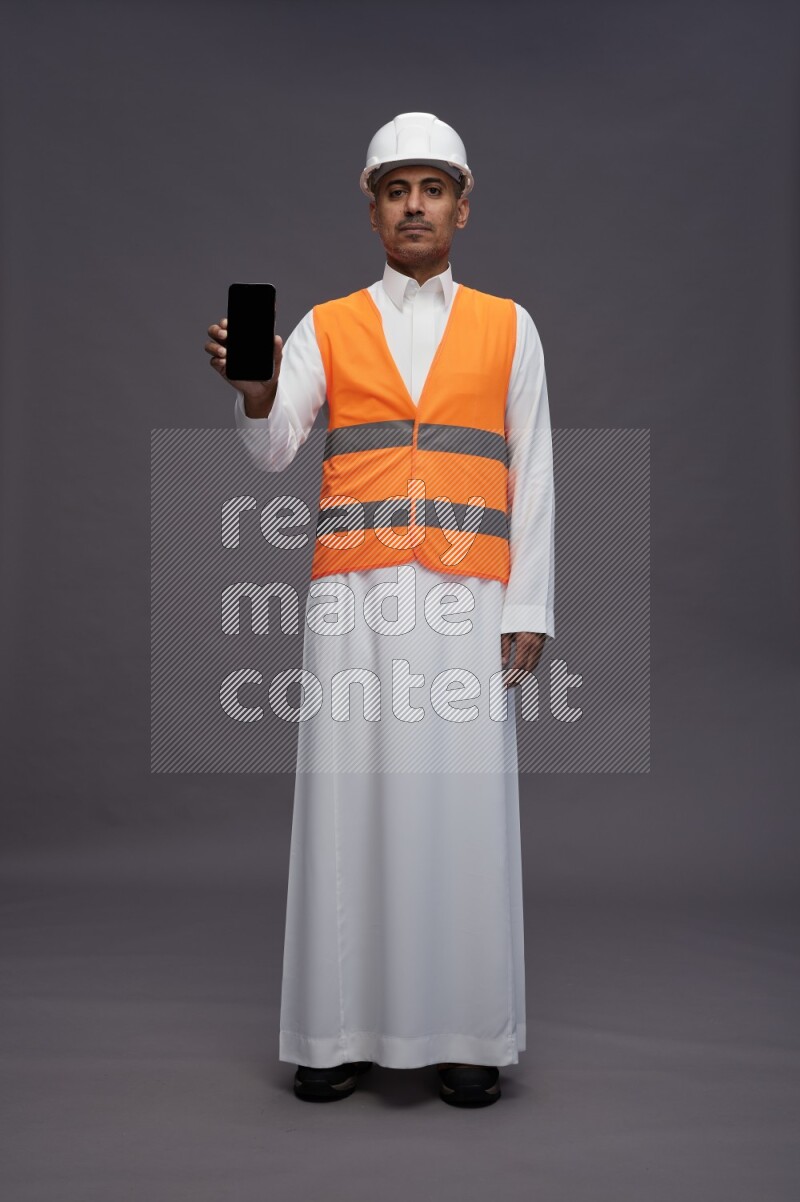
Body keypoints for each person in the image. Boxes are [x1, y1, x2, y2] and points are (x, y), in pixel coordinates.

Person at [204, 112, 555, 1108]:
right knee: (345, 805)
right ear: (370, 208)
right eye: (395, 188)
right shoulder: (323, 324)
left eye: (431, 187)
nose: (414, 204)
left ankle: (466, 1035)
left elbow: (531, 472)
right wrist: (260, 386)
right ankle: (332, 1030)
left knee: (462, 809)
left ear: (461, 205)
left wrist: (527, 602)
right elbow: (274, 452)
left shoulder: (509, 324)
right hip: (352, 597)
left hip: (467, 597)